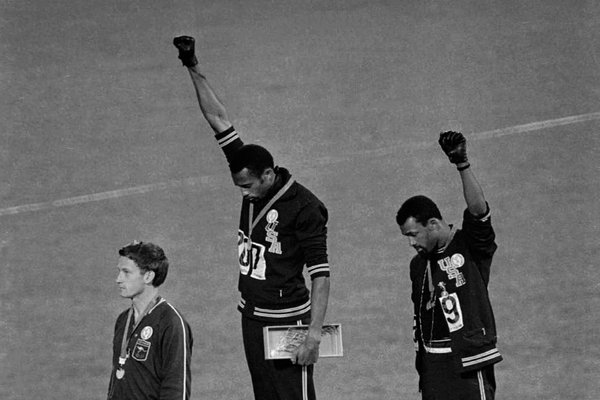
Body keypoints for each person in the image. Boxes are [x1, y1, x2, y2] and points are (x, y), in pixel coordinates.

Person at [173, 35, 331, 400]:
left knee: (294, 395)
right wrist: (192, 66)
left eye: (248, 186)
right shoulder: (248, 166)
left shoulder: (305, 208)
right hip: (252, 315)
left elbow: (321, 275)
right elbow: (217, 117)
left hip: (287, 319)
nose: (244, 194)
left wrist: (313, 334)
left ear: (268, 175)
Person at [396, 131, 503, 400]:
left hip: (467, 362)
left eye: (413, 235)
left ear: (432, 224)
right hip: (433, 368)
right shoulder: (417, 266)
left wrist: (462, 164)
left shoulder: (469, 246)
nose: (411, 243)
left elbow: (479, 212)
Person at [107, 241, 193, 400]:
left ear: (148, 276)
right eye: (119, 272)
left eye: (126, 272)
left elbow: (176, 388)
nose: (118, 279)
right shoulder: (123, 320)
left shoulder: (171, 323)